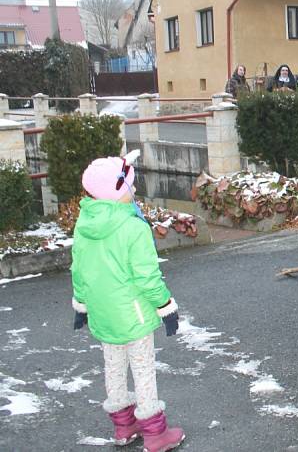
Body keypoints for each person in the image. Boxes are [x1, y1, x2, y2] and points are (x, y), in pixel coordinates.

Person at [71, 154, 185, 451]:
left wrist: (81, 304)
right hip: (133, 315)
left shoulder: (85, 224)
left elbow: (79, 270)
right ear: (122, 189)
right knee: (143, 369)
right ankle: (155, 433)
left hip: (103, 312)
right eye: (130, 185)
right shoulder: (134, 227)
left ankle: (123, 427)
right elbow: (147, 277)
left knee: (114, 366)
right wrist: (165, 306)